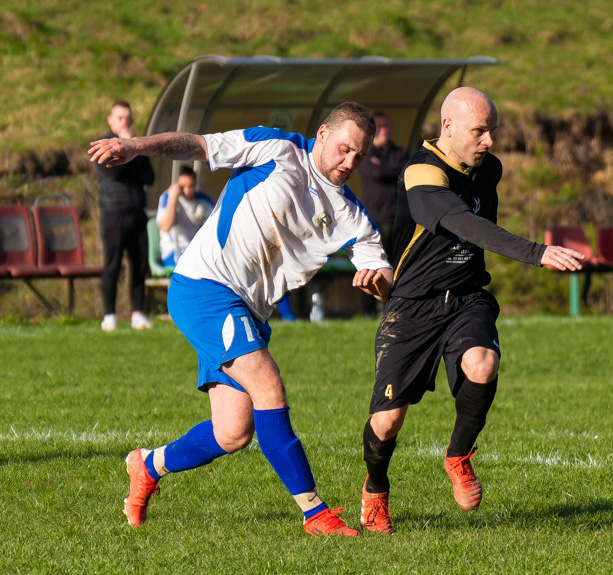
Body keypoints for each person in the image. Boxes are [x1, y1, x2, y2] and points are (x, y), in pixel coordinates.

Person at [88, 102, 393, 536]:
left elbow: (382, 272)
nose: (350, 163)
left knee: (233, 432)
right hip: (205, 286)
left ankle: (148, 464)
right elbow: (197, 145)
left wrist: (375, 282)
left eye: (359, 157)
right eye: (344, 149)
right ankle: (315, 513)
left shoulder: (350, 213)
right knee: (268, 386)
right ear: (323, 134)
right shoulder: (276, 148)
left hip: (249, 309)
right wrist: (134, 146)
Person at [357, 87, 585, 534]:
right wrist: (536, 252)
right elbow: (465, 223)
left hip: (467, 296)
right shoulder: (420, 173)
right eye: (480, 131)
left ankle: (458, 455)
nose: (489, 142)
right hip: (413, 306)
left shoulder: (489, 169)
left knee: (483, 364)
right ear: (448, 127)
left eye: (492, 131)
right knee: (386, 423)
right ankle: (376, 488)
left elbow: (479, 228)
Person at [94, 100, 155, 332]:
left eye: (128, 119)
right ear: (111, 120)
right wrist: (126, 148)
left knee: (139, 265)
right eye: (120, 118)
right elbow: (115, 172)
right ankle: (109, 314)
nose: (124, 122)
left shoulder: (138, 145)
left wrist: (133, 147)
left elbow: (148, 177)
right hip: (114, 212)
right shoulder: (102, 144)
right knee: (113, 265)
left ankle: (138, 313)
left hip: (137, 212)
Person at [357, 112, 410, 260]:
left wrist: (383, 168)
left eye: (387, 126)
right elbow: (376, 174)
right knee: (377, 261)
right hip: (375, 218)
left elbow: (406, 174)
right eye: (380, 127)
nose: (384, 130)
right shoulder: (365, 153)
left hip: (397, 219)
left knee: (398, 261)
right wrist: (393, 170)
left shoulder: (400, 152)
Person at [155, 165, 215, 267]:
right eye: (182, 187)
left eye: (191, 186)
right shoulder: (167, 197)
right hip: (173, 250)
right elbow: (165, 227)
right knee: (193, 263)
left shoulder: (203, 199)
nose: (187, 191)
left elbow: (217, 223)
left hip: (195, 249)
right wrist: (173, 198)